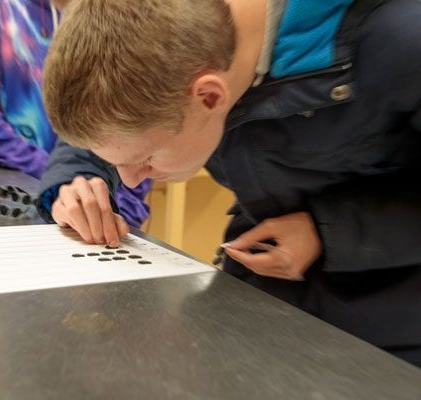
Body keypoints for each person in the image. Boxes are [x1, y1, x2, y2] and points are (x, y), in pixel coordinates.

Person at [35, 0, 421, 366]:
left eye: (146, 159)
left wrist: (328, 231)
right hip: (269, 299)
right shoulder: (174, 36)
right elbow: (117, 108)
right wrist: (76, 178)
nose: (129, 179)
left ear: (209, 96)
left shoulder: (403, 37)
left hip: (393, 328)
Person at [0, 0, 152, 230]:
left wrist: (123, 204)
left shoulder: (117, 17)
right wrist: (58, 176)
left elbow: (138, 121)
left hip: (102, 203)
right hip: (16, 203)